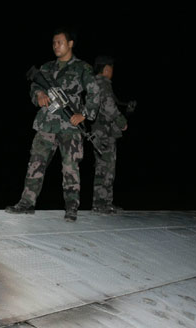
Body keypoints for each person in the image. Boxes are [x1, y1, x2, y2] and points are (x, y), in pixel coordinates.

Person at [5, 28, 99, 222]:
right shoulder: (46, 68)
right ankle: (26, 203)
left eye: (60, 42)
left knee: (70, 167)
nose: (56, 46)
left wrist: (84, 115)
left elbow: (94, 94)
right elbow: (35, 86)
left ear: (70, 44)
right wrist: (38, 95)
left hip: (70, 125)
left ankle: (71, 208)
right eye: (54, 43)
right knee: (36, 162)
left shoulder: (82, 67)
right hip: (46, 123)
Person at [90, 55, 128, 214]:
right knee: (106, 168)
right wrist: (121, 121)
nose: (112, 72)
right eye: (111, 69)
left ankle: (104, 202)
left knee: (103, 167)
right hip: (104, 132)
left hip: (98, 131)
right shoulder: (103, 84)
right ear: (106, 69)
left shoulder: (94, 83)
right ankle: (101, 203)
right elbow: (109, 106)